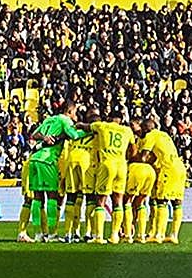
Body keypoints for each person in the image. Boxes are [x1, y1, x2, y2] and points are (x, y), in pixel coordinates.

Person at [18, 101, 88, 243]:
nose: (75, 115)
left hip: (34, 159)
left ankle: (38, 234)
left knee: (37, 199)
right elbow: (74, 135)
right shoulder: (65, 120)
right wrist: (89, 130)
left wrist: (44, 137)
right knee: (52, 198)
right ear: (70, 111)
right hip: (48, 160)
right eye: (74, 112)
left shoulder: (49, 119)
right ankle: (52, 234)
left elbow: (34, 134)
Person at [89, 111, 135, 244]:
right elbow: (133, 149)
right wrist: (126, 158)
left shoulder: (102, 126)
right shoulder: (127, 131)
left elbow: (86, 126)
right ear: (121, 119)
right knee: (118, 200)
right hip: (121, 166)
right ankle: (115, 236)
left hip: (107, 164)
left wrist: (79, 124)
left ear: (109, 118)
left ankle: (99, 237)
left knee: (101, 200)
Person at [140, 115, 187, 245]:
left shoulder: (150, 136)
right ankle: (174, 235)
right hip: (180, 167)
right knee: (177, 203)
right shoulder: (164, 135)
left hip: (168, 168)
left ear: (146, 129)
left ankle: (158, 235)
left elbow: (144, 157)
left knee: (162, 201)